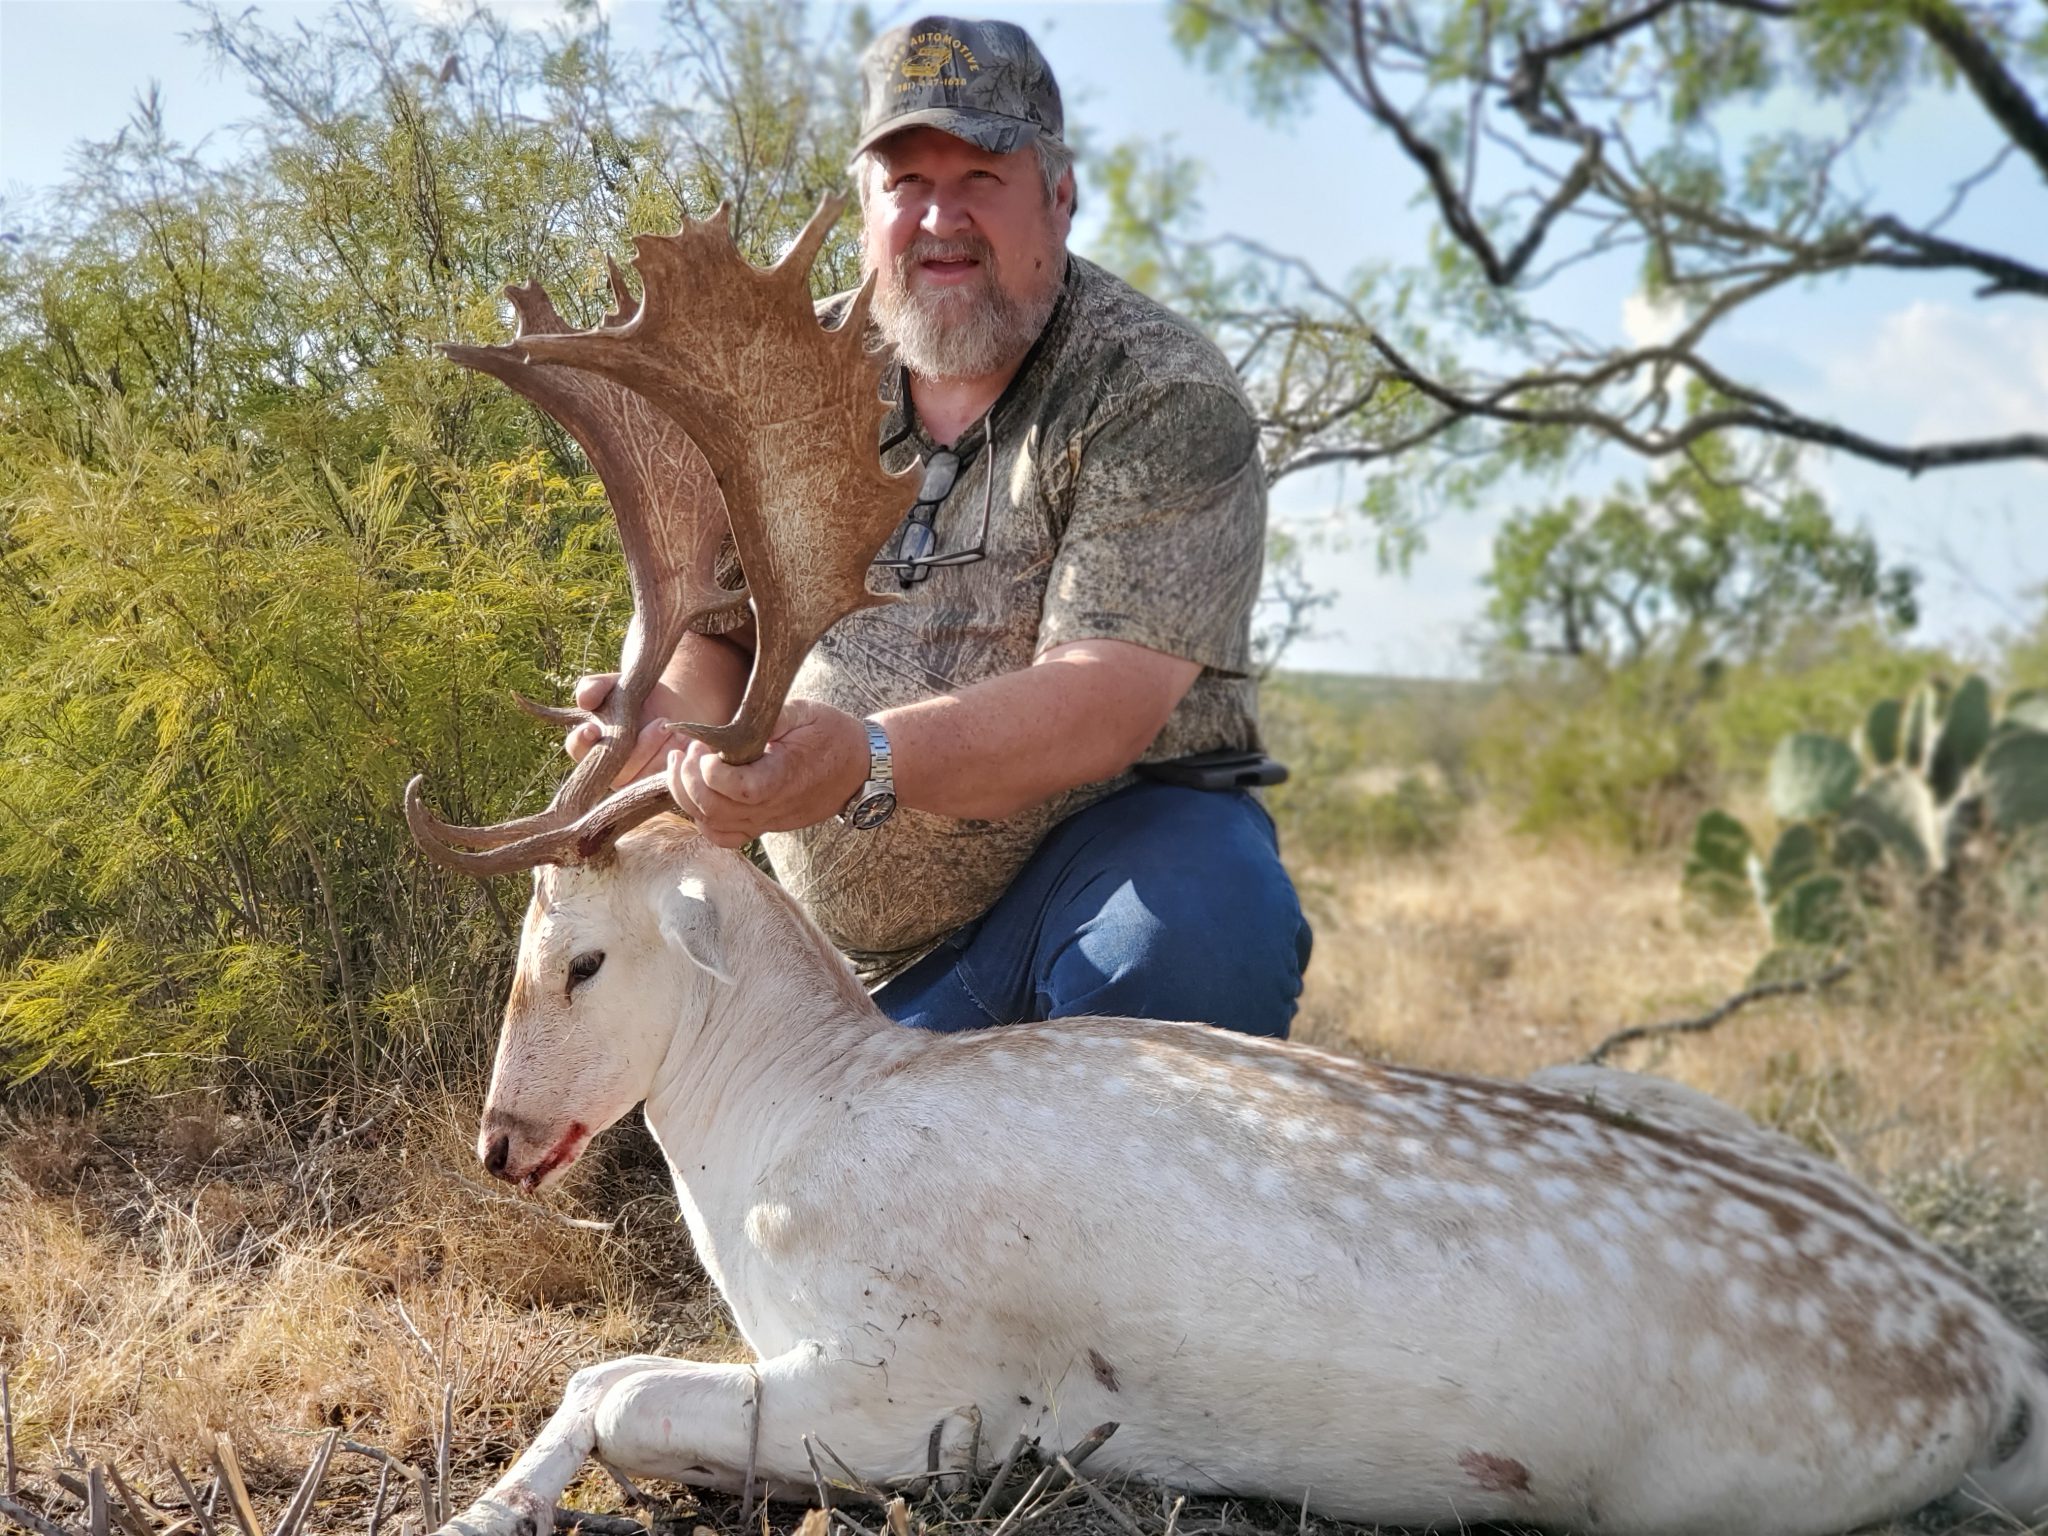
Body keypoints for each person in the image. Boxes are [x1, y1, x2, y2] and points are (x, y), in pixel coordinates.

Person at [567, 15, 1312, 1036]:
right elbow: (713, 633)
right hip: (845, 968)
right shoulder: (775, 385)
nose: (938, 219)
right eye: (907, 183)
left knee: (1189, 929)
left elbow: (1106, 701)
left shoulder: (1156, 390)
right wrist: (667, 730)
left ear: (1058, 197)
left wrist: (863, 760)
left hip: (1092, 876)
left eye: (981, 178)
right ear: (865, 203)